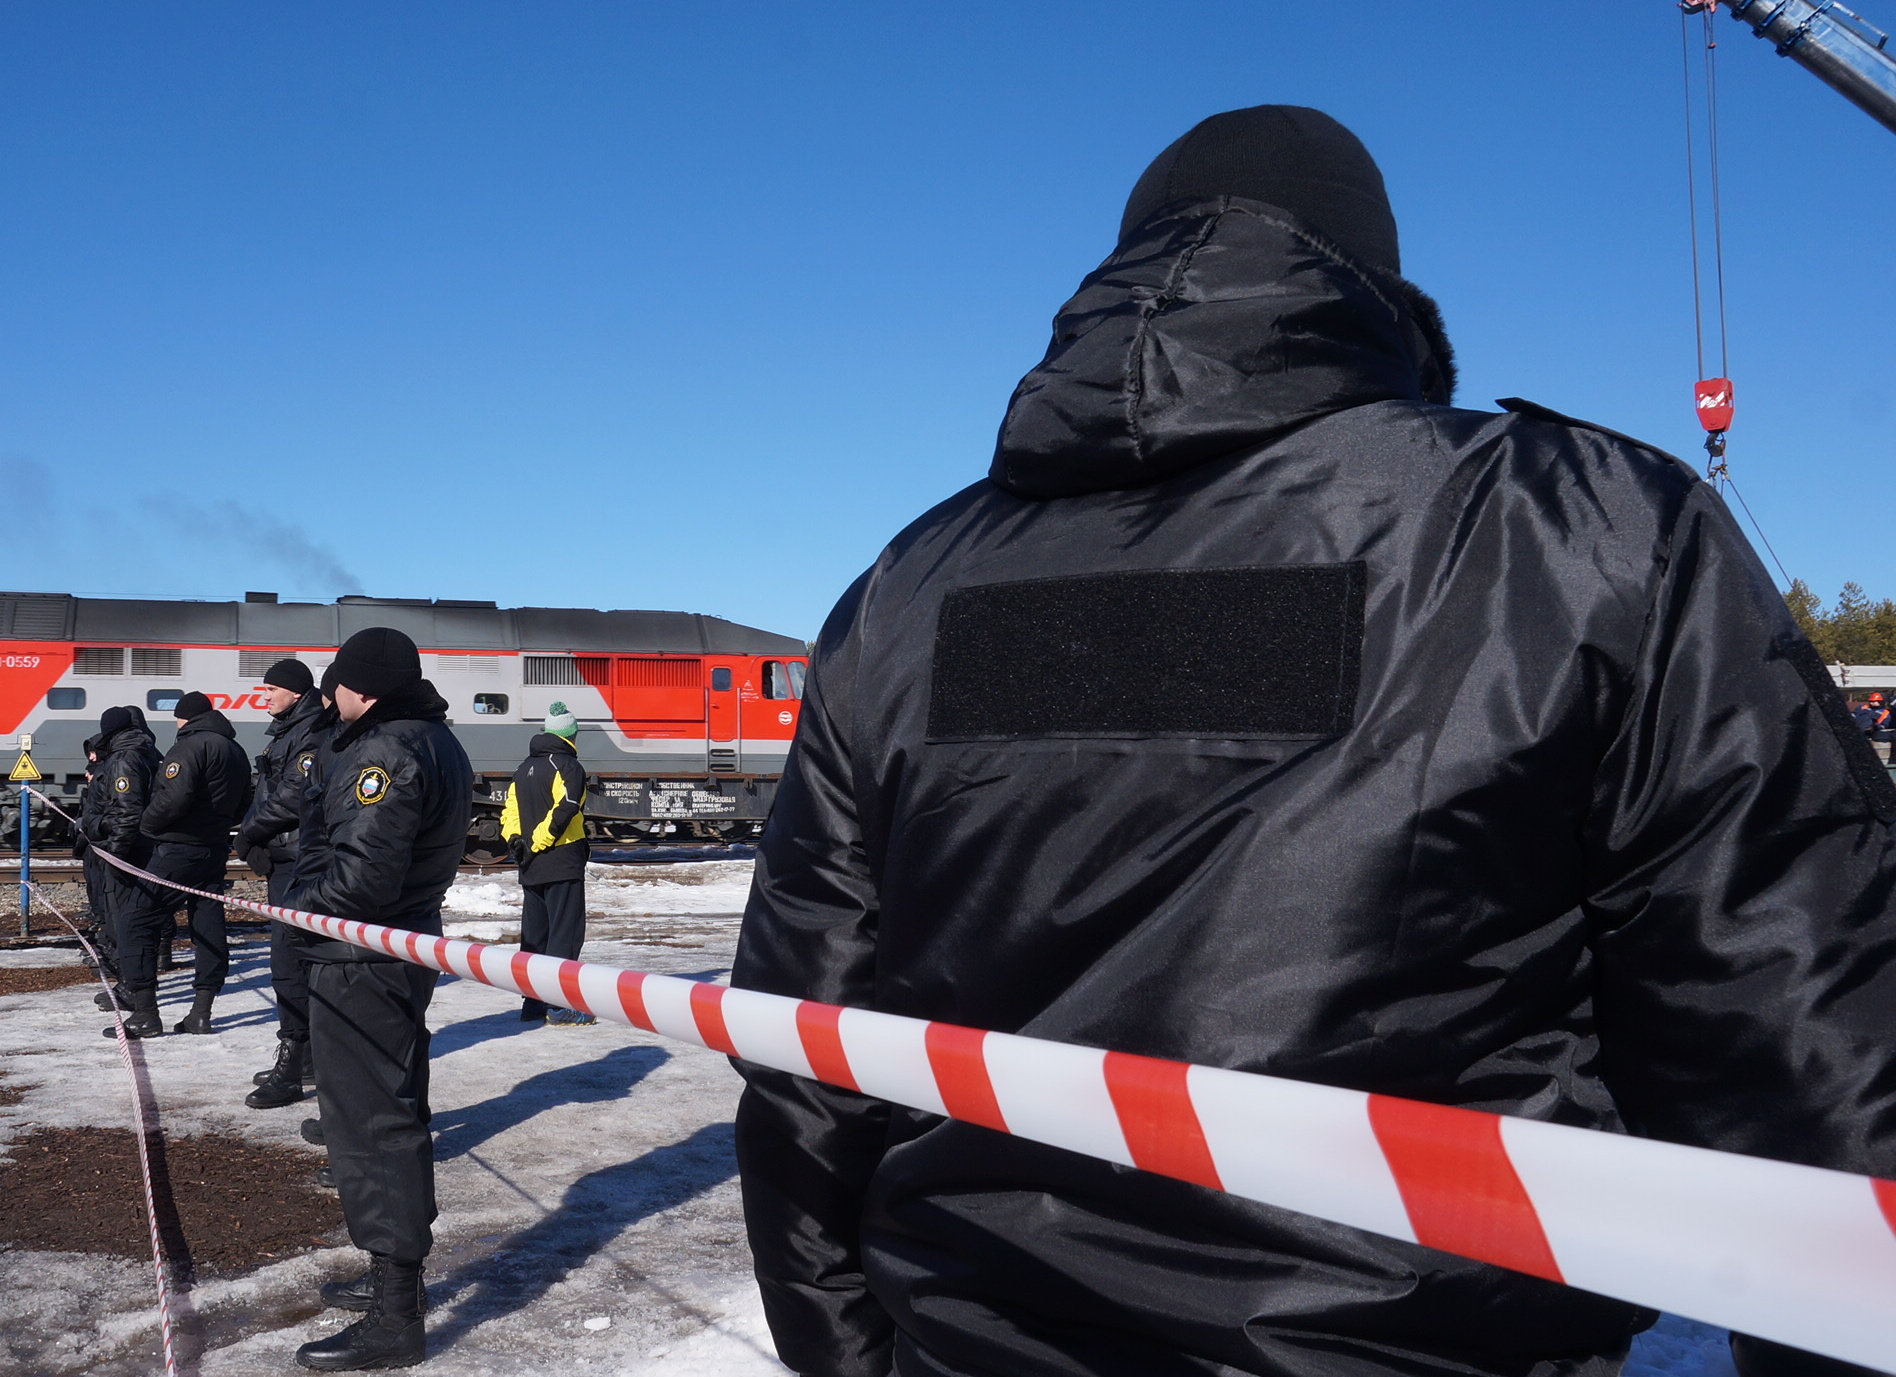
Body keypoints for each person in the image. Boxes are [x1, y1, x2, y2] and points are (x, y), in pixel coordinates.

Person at [732, 105, 1896, 1377]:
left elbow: (805, 1040)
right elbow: (1796, 1026)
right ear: (1379, 288)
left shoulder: (908, 586)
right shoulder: (1574, 528)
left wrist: (847, 1353)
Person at [282, 627, 471, 1371]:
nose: (329, 695)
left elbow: (361, 881)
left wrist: (294, 911)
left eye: (338, 683)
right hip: (394, 949)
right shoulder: (434, 739)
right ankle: (393, 1280)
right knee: (390, 1112)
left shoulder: (385, 751)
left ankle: (396, 1317)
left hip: (361, 959)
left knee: (370, 1126)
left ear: (363, 687)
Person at [112, 690, 252, 1038]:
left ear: (183, 717)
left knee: (136, 919)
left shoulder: (190, 746)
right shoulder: (235, 750)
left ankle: (145, 1012)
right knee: (207, 925)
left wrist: (146, 827)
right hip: (214, 848)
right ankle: (201, 1012)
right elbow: (244, 802)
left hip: (177, 850)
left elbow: (173, 798)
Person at [236, 658, 341, 1109]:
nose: (264, 696)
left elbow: (292, 795)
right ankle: (306, 1057)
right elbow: (270, 792)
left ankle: (294, 1064)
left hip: (299, 861)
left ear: (295, 693)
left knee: (289, 961)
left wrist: (249, 833)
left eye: (270, 689)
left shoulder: (308, 733)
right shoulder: (290, 730)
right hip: (287, 855)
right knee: (291, 960)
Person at [500, 700, 594, 1026]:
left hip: (530, 866)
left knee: (535, 936)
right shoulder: (568, 766)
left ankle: (532, 1004)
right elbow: (566, 807)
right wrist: (539, 842)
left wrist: (518, 843)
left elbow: (510, 811)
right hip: (561, 860)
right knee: (565, 935)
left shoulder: (524, 767)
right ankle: (558, 1006)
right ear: (571, 735)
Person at [82, 705, 160, 1010]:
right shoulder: (141, 751)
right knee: (130, 923)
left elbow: (127, 813)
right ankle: (132, 985)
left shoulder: (123, 759)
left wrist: (115, 853)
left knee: (125, 924)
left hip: (126, 855)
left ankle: (132, 988)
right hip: (136, 850)